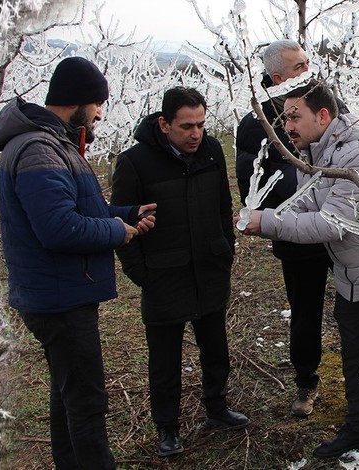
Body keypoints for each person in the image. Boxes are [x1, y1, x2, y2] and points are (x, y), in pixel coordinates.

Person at [238, 80, 359, 464]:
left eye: (294, 117)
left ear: (323, 116)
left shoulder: (357, 154)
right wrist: (266, 216)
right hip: (352, 280)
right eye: (284, 118)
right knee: (355, 361)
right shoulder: (317, 154)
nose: (287, 127)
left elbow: (332, 223)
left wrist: (269, 223)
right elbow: (306, 202)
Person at [0, 56, 156, 469]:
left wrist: (125, 212)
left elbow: (76, 207)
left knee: (69, 394)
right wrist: (119, 232)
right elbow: (58, 228)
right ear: (77, 100)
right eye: (98, 103)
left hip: (56, 292)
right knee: (86, 401)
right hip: (58, 298)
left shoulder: (51, 142)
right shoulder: (39, 149)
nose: (99, 113)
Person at [235, 39, 359, 418]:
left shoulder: (324, 103)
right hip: (297, 234)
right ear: (277, 76)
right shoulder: (256, 124)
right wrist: (304, 195)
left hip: (345, 236)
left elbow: (348, 157)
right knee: (306, 312)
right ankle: (306, 382)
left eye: (308, 63)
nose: (308, 70)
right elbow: (255, 183)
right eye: (299, 66)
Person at [111, 86, 249, 458]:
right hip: (163, 275)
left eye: (201, 125)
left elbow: (224, 205)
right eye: (187, 126)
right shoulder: (135, 163)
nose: (196, 134)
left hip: (209, 268)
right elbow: (122, 223)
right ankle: (167, 428)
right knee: (165, 359)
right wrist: (142, 274)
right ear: (164, 124)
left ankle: (217, 407)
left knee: (215, 348)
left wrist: (225, 251)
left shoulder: (212, 151)